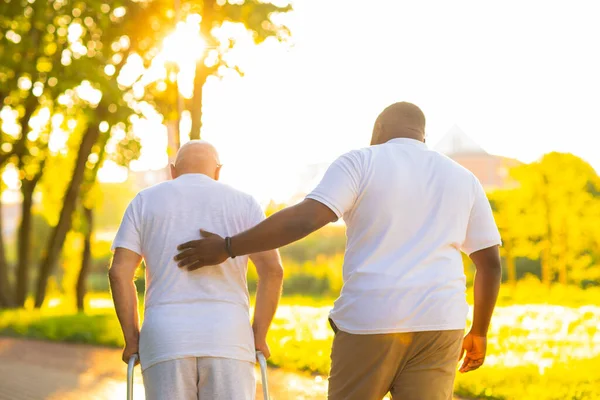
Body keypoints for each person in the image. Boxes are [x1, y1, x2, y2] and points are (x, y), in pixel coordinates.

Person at [174, 102, 503, 400]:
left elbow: (304, 219)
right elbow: (489, 264)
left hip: (373, 319)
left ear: (379, 131)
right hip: (441, 322)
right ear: (423, 135)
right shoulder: (463, 178)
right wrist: (480, 331)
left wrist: (228, 247)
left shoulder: (361, 161)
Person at [109, 140, 283, 400]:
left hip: (166, 339)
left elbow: (119, 272)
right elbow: (273, 271)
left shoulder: (144, 201)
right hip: (229, 338)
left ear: (173, 171)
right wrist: (259, 335)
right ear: (218, 171)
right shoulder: (245, 203)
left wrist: (132, 338)